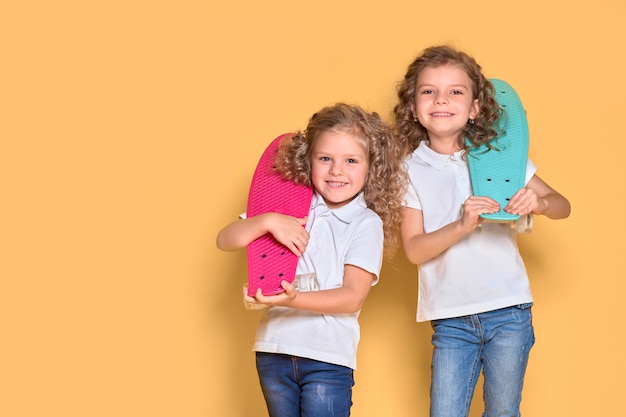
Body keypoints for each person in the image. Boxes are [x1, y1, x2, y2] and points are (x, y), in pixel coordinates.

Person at [392, 45, 571, 417]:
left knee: (503, 412)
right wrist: (461, 225)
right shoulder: (409, 169)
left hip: (508, 309)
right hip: (451, 316)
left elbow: (562, 205)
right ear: (413, 106)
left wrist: (539, 203)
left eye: (456, 91)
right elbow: (413, 249)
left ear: (474, 108)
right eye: (428, 91)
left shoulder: (499, 154)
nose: (442, 99)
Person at [216, 103, 406, 417]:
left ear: (372, 167)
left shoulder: (365, 223)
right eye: (325, 159)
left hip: (327, 358)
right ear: (309, 159)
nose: (336, 171)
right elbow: (226, 240)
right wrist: (266, 221)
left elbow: (351, 297)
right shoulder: (288, 205)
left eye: (351, 161)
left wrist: (290, 299)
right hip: (274, 350)